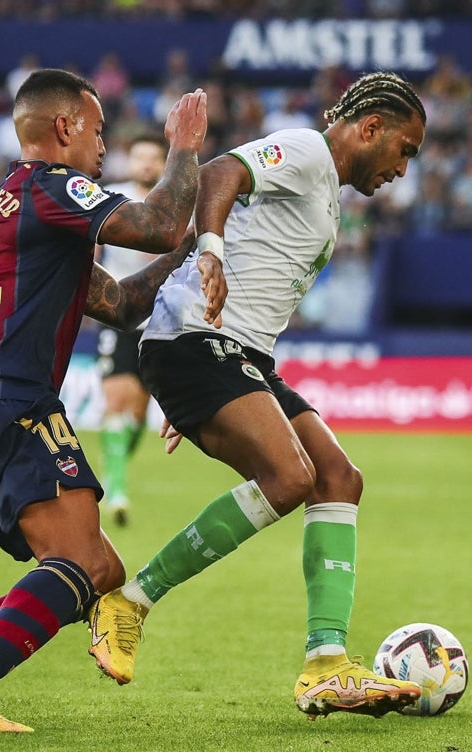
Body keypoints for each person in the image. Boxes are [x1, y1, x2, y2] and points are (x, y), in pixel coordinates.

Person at [86, 71, 426, 719]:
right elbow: (218, 174)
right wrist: (209, 251)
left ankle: (326, 664)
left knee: (337, 478)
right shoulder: (305, 149)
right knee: (289, 475)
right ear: (371, 128)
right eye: (404, 148)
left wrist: (217, 401)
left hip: (232, 359)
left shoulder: (324, 191)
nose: (403, 168)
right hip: (197, 343)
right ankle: (130, 602)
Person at [0, 69, 217, 732]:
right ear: (64, 128)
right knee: (79, 565)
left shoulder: (7, 205)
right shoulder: (50, 186)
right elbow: (155, 222)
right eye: (97, 132)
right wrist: (186, 151)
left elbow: (120, 304)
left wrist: (191, 249)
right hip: (13, 405)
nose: (102, 149)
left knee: (97, 567)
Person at [96, 134, 170, 527]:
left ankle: (115, 471)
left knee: (139, 414)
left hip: (158, 320)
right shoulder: (113, 199)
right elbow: (91, 247)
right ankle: (118, 491)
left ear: (163, 164)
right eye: (138, 156)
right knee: (115, 402)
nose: (145, 164)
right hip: (117, 314)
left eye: (153, 158)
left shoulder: (175, 204)